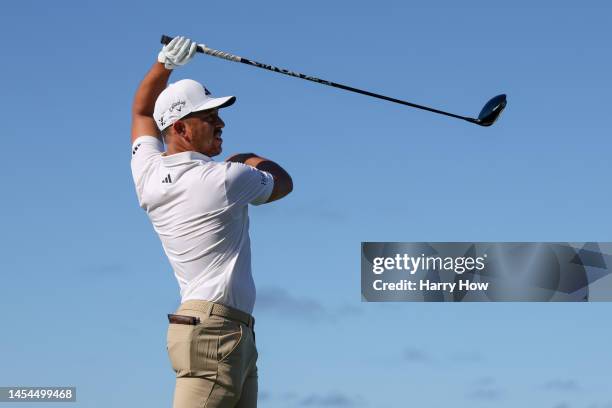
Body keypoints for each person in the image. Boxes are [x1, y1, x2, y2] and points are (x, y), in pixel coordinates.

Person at [130, 36, 293, 408]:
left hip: (224, 332)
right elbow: (284, 184)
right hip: (215, 333)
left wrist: (163, 63)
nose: (220, 122)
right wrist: (249, 157)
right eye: (208, 117)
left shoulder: (149, 174)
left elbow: (142, 114)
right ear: (181, 129)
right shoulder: (224, 179)